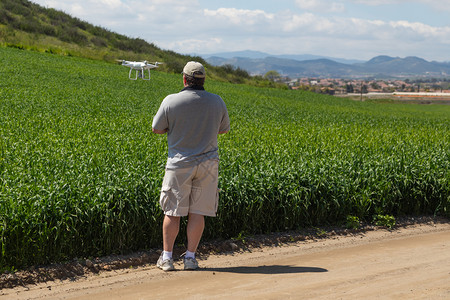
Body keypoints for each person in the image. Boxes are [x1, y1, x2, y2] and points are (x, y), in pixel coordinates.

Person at [152, 61, 230, 271]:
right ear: (203, 80)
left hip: (179, 163)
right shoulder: (217, 101)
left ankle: (167, 258)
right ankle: (190, 258)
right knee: (198, 212)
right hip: (208, 164)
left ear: (184, 79)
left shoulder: (171, 101)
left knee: (173, 211)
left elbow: (156, 129)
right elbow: (223, 130)